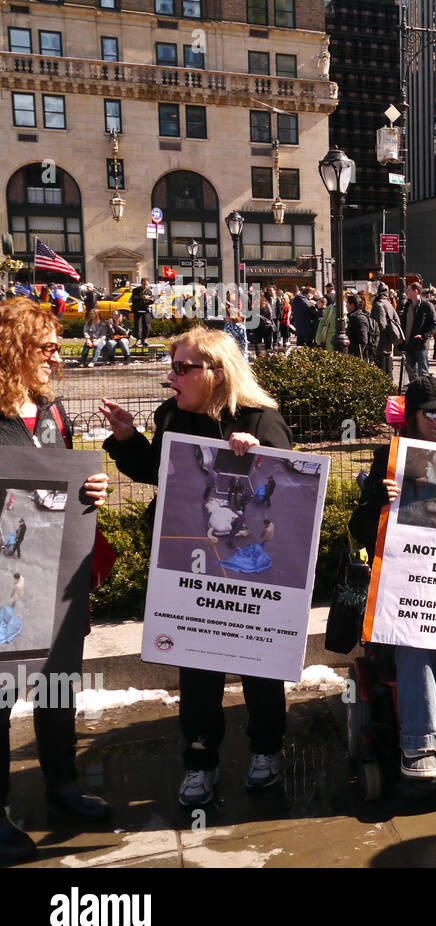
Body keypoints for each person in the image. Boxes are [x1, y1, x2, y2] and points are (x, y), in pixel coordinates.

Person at [100, 327, 293, 807]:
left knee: (257, 663)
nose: (171, 378)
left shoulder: (261, 418)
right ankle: (200, 760)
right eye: (173, 367)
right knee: (197, 664)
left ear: (217, 373)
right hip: (187, 557)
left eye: (182, 368)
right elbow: (155, 472)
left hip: (246, 565)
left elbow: (287, 492)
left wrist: (260, 457)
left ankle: (266, 751)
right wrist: (127, 439)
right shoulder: (171, 416)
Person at [0, 298, 111, 865]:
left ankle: (62, 785)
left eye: (57, 346)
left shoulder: (52, 408)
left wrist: (92, 490)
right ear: (13, 346)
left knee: (57, 684)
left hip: (54, 572)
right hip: (3, 579)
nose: (55, 356)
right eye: (45, 345)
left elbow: (67, 478)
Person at [349, 376, 436, 780]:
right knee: (414, 643)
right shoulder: (388, 459)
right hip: (407, 582)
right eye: (433, 414)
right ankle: (418, 741)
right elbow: (360, 529)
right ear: (411, 417)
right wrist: (378, 500)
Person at [400, 281, 436, 381]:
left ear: (416, 291)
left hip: (420, 344)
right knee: (411, 371)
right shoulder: (407, 306)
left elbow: (434, 324)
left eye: (408, 290)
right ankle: (415, 390)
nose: (406, 292)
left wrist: (424, 336)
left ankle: (425, 392)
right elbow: (404, 324)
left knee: (423, 372)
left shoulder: (427, 306)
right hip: (408, 344)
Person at [371, 283, 403, 375]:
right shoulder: (389, 304)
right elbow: (397, 321)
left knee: (381, 370)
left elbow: (381, 324)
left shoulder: (378, 304)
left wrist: (374, 336)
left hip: (380, 342)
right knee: (388, 368)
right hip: (389, 341)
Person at [344, 292, 371, 360]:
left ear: (352, 305)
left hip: (359, 356)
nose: (346, 305)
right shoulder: (353, 317)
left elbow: (363, 340)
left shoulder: (359, 318)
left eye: (347, 303)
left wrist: (357, 357)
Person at [129, 278, 153, 346]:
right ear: (141, 283)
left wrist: (151, 300)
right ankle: (138, 339)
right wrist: (141, 297)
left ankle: (145, 339)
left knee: (147, 325)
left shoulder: (149, 291)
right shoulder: (135, 290)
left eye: (147, 285)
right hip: (137, 310)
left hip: (145, 310)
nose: (145, 286)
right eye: (144, 284)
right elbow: (133, 299)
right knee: (137, 325)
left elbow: (150, 302)